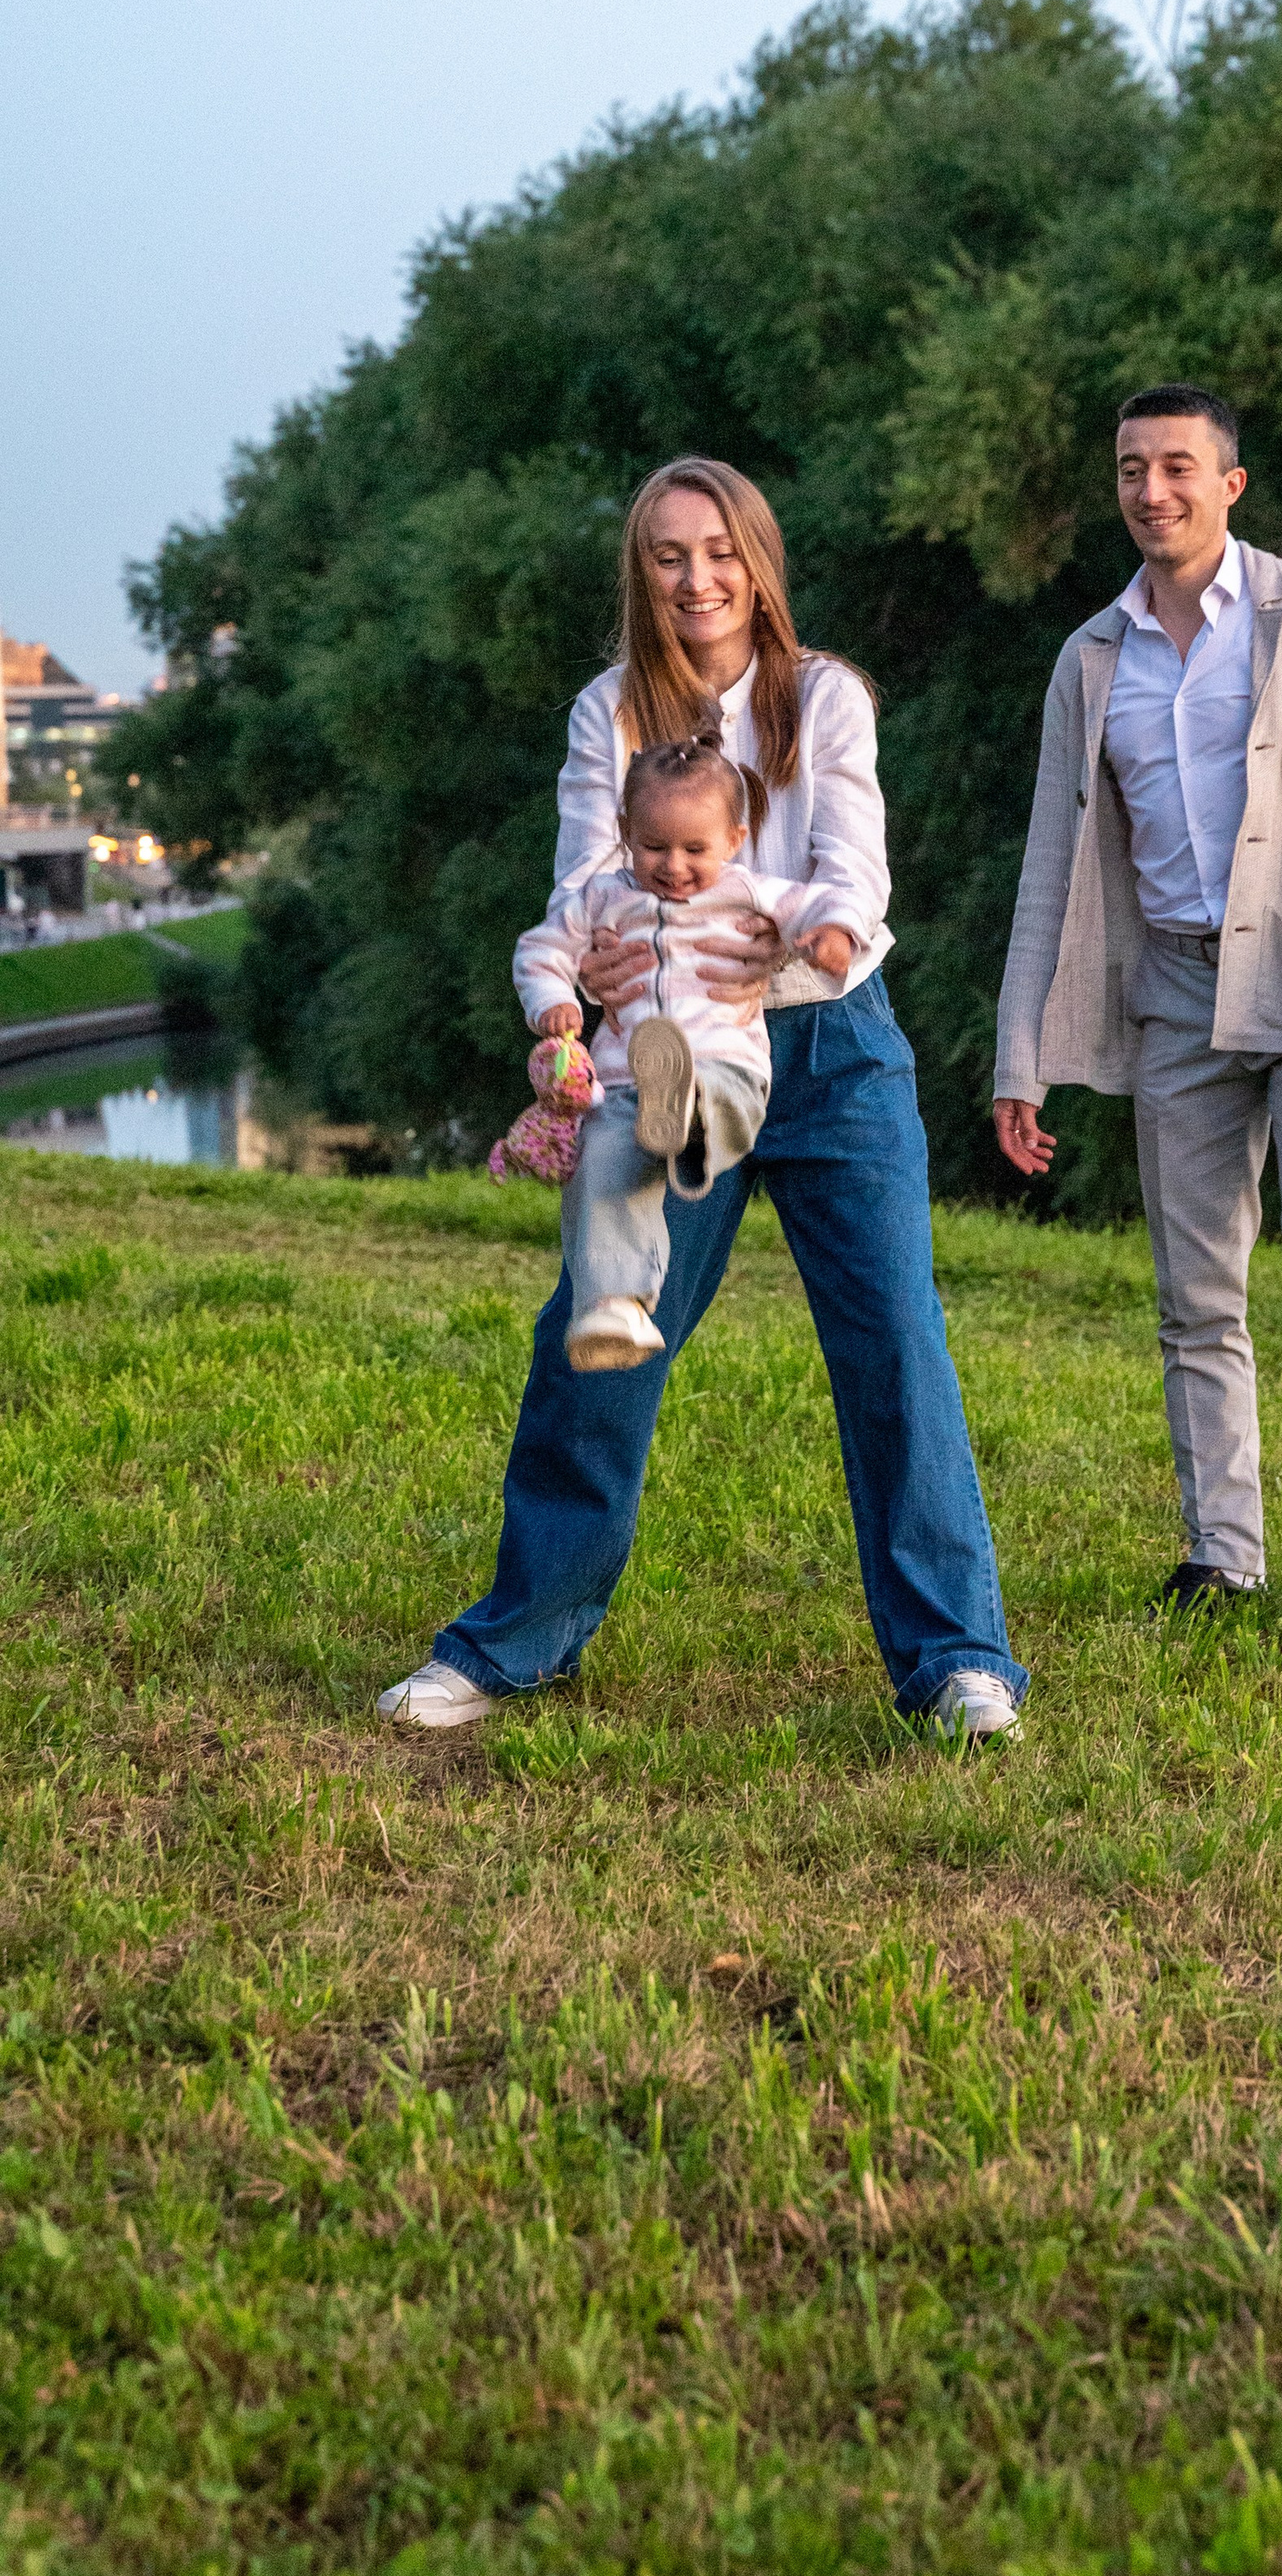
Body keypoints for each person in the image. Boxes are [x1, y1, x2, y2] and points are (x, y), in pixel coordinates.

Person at [379, 455, 1028, 1740]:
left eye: (720, 550)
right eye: (670, 554)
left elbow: (853, 874)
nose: (697, 577)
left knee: (894, 1340)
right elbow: (583, 892)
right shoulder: (607, 710)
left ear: (758, 562)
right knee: (599, 1324)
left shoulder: (825, 696)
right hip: (662, 1046)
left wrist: (791, 948)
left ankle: (958, 1662)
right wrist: (573, 986)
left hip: (831, 1049)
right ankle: (515, 1641)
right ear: (643, 572)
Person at [993, 384, 1282, 1631]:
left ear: (1231, 484)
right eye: (1132, 468)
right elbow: (1051, 866)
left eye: (1178, 466)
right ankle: (1224, 1551)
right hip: (1173, 994)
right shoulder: (1092, 657)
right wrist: (1019, 1055)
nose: (1152, 491)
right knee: (1195, 1291)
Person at [513, 731, 851, 1370]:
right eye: (653, 846)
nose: (673, 866)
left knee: (717, 1101)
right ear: (624, 831)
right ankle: (616, 1306)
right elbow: (542, 949)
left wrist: (832, 936)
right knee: (601, 1166)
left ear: (734, 838)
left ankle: (691, 1119)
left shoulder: (749, 891)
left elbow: (821, 899)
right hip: (625, 1082)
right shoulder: (605, 897)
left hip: (726, 1064)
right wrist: (553, 997)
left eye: (695, 848)